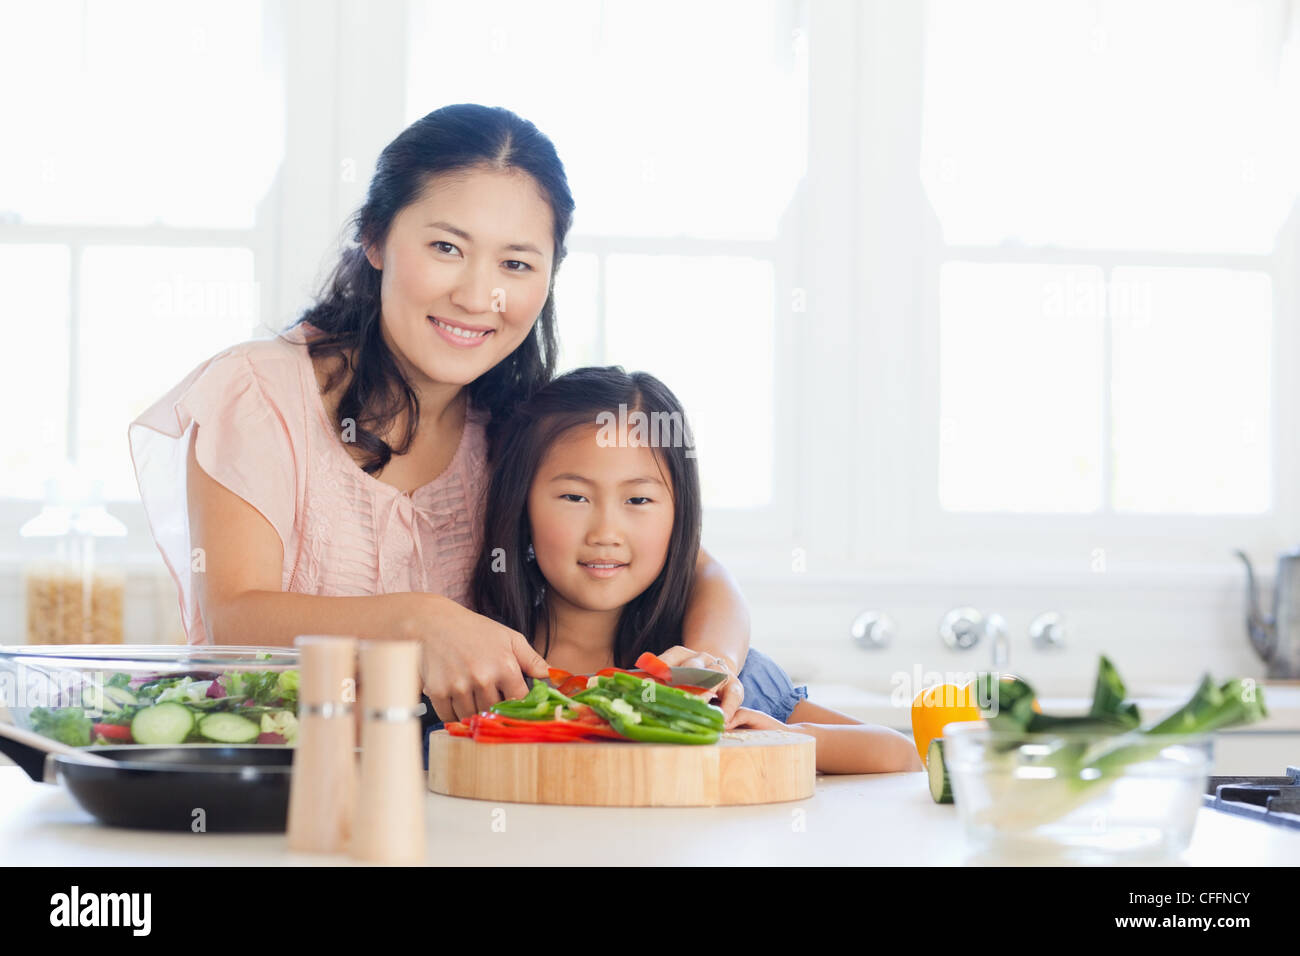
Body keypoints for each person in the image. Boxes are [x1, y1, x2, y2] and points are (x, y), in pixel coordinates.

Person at [128, 104, 751, 726]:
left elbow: (698, 568)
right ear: (374, 238)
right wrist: (417, 622)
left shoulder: (518, 427)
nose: (479, 297)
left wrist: (712, 663)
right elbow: (233, 619)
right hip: (275, 786)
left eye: (516, 263)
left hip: (451, 792)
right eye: (447, 247)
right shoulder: (259, 391)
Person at [469, 366, 922, 774]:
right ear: (522, 504)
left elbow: (897, 753)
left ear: (679, 514)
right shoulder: (483, 671)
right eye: (574, 497)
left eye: (639, 500)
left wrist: (767, 739)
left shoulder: (711, 681)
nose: (606, 532)